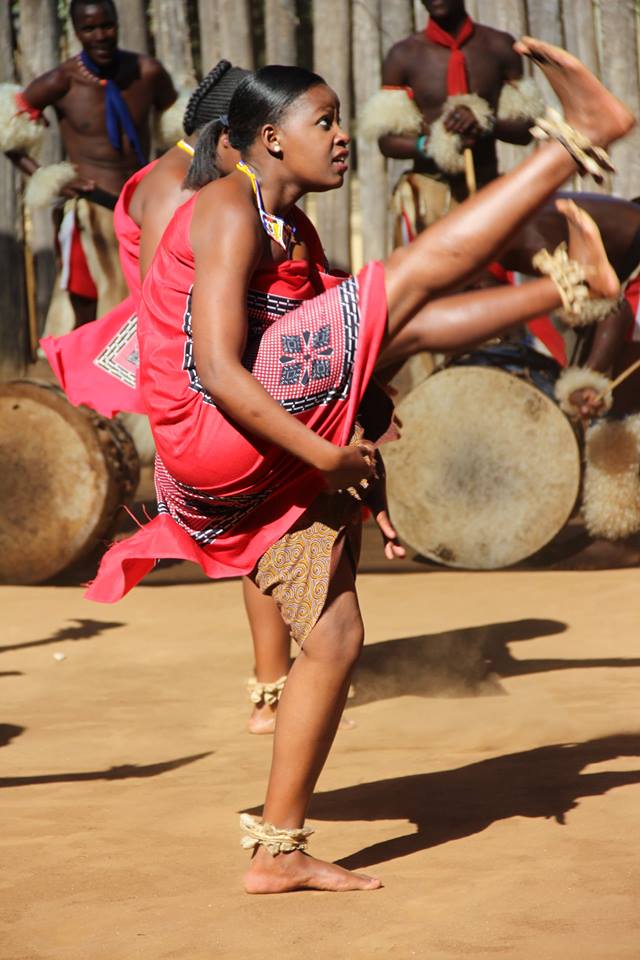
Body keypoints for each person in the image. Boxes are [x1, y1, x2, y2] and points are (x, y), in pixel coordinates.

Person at [84, 43, 633, 893]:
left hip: (242, 458)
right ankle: (578, 142)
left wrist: (359, 441)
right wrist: (326, 453)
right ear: (266, 138)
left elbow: (363, 345)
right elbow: (223, 370)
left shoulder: (289, 227)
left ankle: (277, 853)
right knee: (397, 286)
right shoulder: (226, 209)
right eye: (325, 122)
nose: (343, 138)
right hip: (218, 430)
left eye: (343, 121)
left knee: (337, 636)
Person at [1, 0, 178, 332]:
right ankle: (84, 380)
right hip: (90, 205)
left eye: (106, 26)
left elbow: (180, 128)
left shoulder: (147, 72)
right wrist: (47, 178)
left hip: (143, 206)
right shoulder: (61, 80)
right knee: (85, 299)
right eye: (89, 28)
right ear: (77, 31)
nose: (100, 36)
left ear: (117, 23)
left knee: (151, 293)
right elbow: (8, 134)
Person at [361, 0, 543, 243]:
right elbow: (387, 142)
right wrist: (433, 145)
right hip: (428, 199)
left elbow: (524, 131)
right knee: (428, 279)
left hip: (488, 192)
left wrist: (484, 123)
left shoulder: (499, 47)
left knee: (495, 279)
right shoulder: (404, 55)